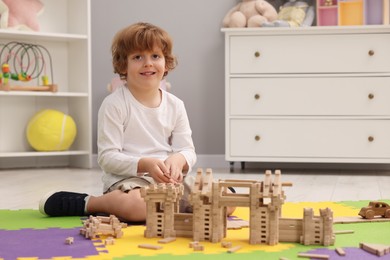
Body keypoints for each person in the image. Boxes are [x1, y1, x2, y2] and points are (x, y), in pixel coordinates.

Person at [39, 22, 198, 222]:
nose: (148, 63)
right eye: (138, 57)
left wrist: (178, 160)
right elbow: (107, 157)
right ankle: (91, 203)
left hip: (170, 182)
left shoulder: (176, 105)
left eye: (155, 56)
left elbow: (187, 150)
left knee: (224, 199)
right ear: (123, 64)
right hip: (130, 182)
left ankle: (168, 206)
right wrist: (145, 164)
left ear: (166, 63)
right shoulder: (114, 104)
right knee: (138, 207)